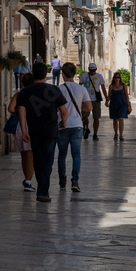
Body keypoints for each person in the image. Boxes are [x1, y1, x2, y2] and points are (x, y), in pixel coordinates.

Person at [17, 62, 67, 202]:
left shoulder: (25, 92)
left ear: (33, 74)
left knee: (38, 161)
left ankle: (42, 190)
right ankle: (42, 192)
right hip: (50, 131)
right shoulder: (53, 90)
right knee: (47, 162)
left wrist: (23, 130)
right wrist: (63, 122)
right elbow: (64, 111)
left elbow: (21, 111)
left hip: (34, 131)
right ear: (46, 74)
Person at [57, 62, 92, 193]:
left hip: (62, 125)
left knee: (62, 155)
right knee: (76, 154)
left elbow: (55, 108)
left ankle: (62, 180)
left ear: (63, 74)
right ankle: (75, 181)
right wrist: (79, 108)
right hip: (77, 125)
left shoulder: (59, 89)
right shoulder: (82, 89)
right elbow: (89, 108)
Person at [7, 72, 35, 191]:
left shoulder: (18, 95)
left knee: (24, 155)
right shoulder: (35, 94)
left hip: (20, 126)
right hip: (31, 125)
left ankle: (26, 179)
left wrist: (19, 110)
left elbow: (10, 108)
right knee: (31, 156)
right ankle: (28, 181)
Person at [79, 63, 107, 140]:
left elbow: (103, 87)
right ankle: (87, 128)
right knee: (84, 116)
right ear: (88, 69)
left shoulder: (99, 76)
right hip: (86, 99)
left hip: (96, 100)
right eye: (91, 71)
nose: (92, 72)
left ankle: (95, 134)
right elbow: (80, 87)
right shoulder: (84, 76)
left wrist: (106, 98)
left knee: (96, 117)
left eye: (93, 71)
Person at [106, 71, 132, 140]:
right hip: (114, 104)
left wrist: (128, 105)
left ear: (120, 78)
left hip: (122, 104)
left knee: (121, 118)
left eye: (118, 77)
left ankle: (121, 135)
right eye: (115, 77)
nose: (117, 79)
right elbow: (109, 96)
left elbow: (126, 95)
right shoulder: (111, 86)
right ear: (114, 78)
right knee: (115, 120)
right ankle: (115, 133)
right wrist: (106, 101)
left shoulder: (123, 85)